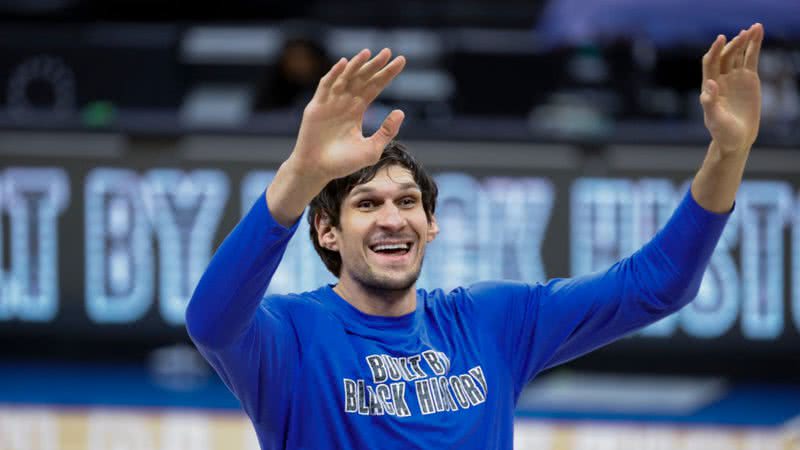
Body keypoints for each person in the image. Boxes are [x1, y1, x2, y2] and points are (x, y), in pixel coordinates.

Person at [185, 24, 764, 450]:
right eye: (367, 204)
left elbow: (658, 285)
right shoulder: (291, 336)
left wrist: (729, 151)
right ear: (328, 231)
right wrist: (301, 176)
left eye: (408, 202)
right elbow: (210, 320)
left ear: (431, 225)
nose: (392, 218)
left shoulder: (491, 321)